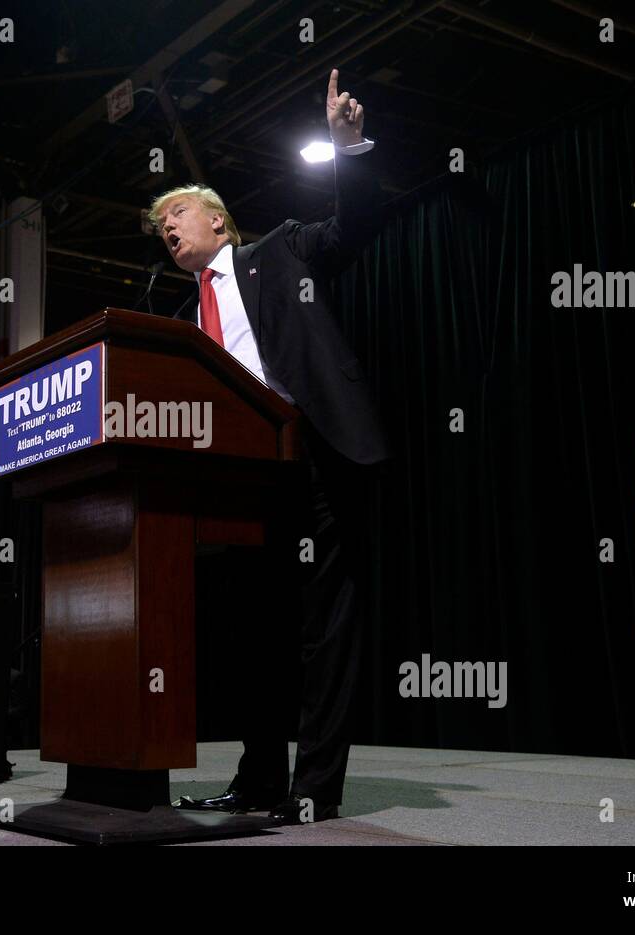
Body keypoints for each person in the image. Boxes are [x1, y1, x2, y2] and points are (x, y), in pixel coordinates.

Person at [148, 69, 389, 824]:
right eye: (162, 225)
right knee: (255, 638)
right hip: (246, 482)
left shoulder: (279, 252)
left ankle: (313, 789)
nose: (169, 227)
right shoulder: (181, 320)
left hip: (316, 455)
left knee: (326, 632)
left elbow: (354, 229)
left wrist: (348, 149)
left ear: (219, 222)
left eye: (179, 213)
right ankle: (257, 781)